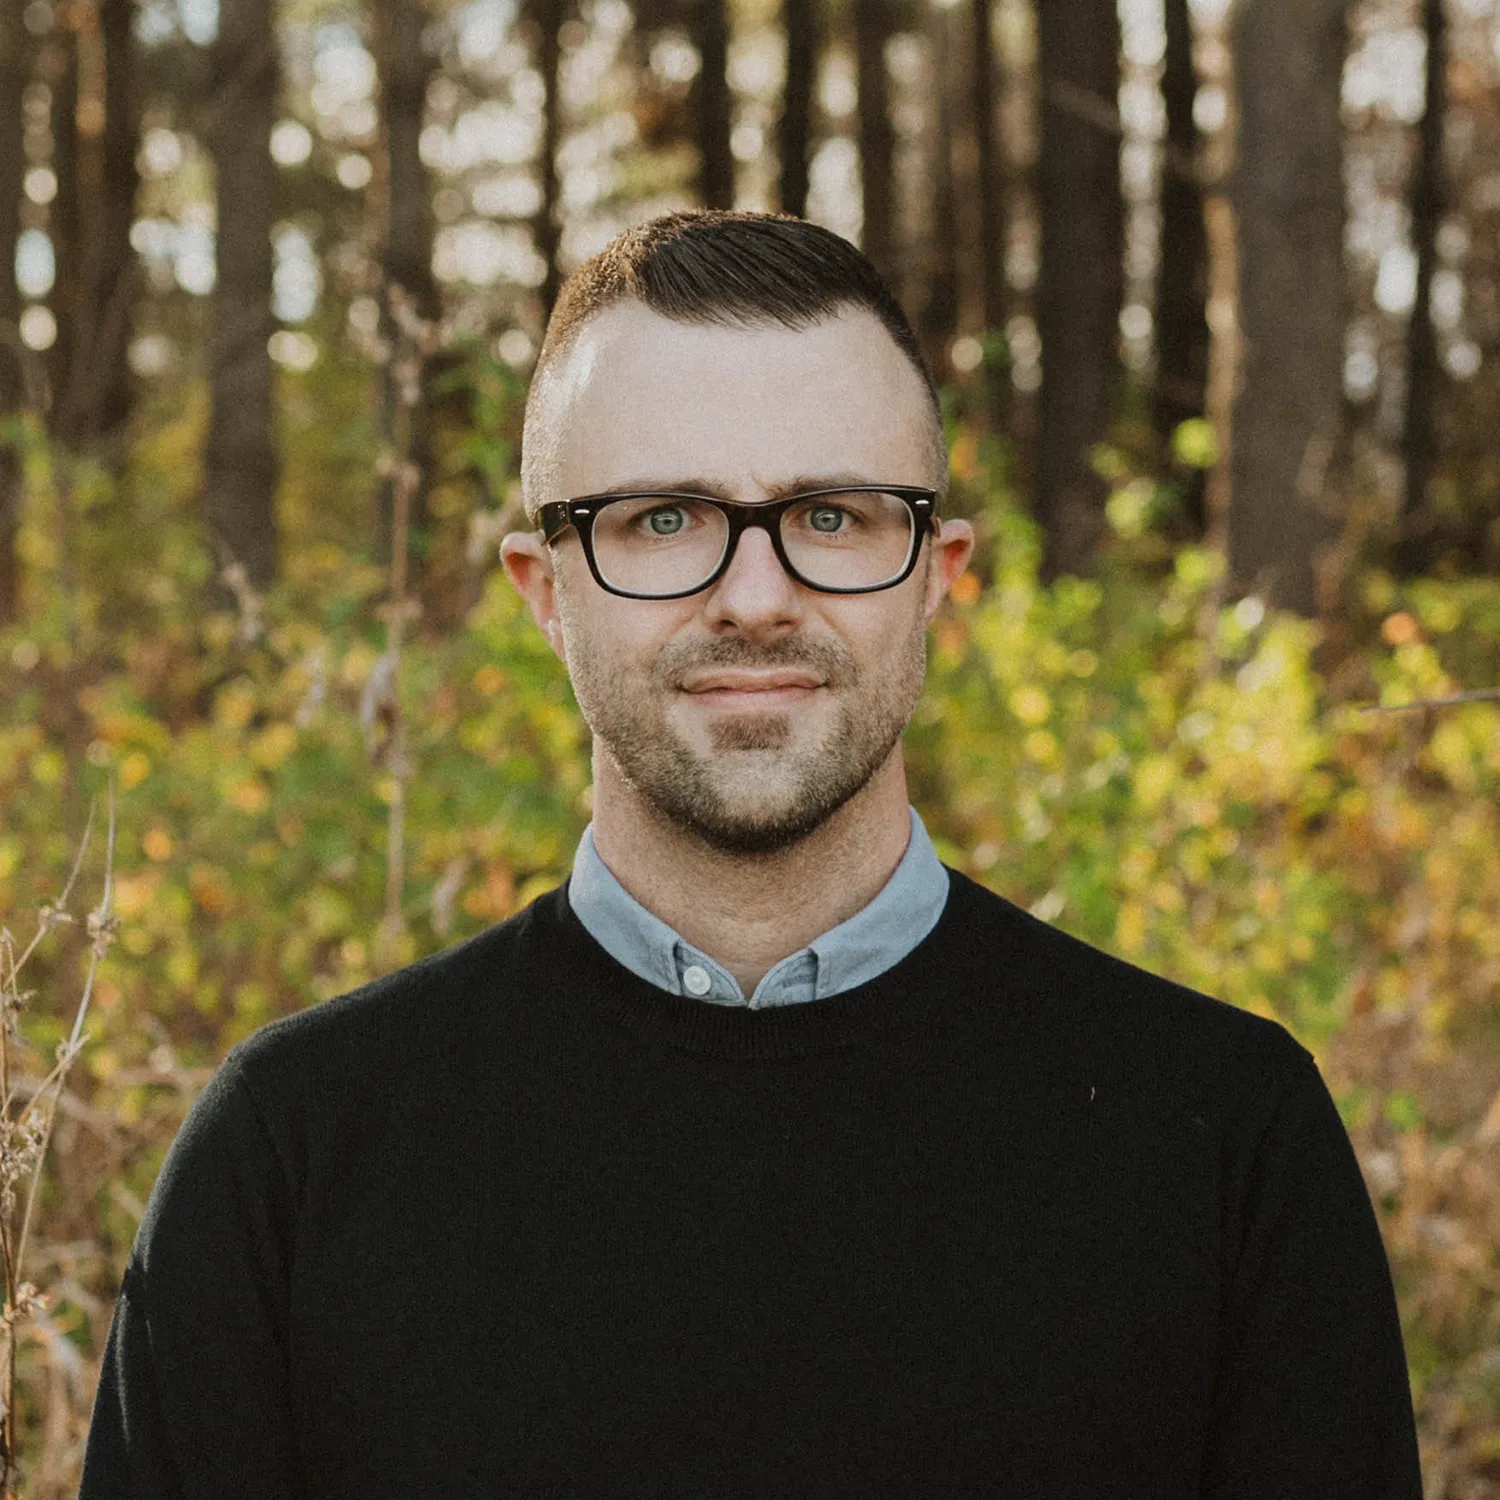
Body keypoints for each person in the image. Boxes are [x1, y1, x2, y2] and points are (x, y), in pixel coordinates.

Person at [80, 211, 1422, 1498]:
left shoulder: (1224, 1144)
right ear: (544, 593)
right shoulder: (293, 1158)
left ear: (939, 571)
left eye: (834, 515)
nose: (756, 595)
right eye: (662, 518)